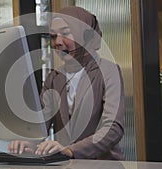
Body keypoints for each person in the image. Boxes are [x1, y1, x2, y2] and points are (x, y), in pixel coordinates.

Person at [8, 6, 125, 160]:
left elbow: (113, 128)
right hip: (66, 165)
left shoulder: (109, 71)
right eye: (53, 36)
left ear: (84, 35)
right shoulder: (54, 78)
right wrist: (27, 140)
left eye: (65, 33)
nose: (58, 42)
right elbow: (41, 124)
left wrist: (72, 150)